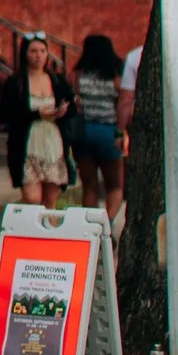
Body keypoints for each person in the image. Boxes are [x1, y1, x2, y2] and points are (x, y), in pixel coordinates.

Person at [0, 34, 74, 207]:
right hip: (27, 144)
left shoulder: (56, 80)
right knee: (32, 199)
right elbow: (6, 114)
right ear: (25, 53)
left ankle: (50, 233)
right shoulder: (16, 82)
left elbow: (71, 105)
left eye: (42, 51)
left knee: (50, 201)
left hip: (53, 143)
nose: (38, 55)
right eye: (33, 51)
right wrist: (36, 114)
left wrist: (63, 111)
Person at [71, 33, 129, 223]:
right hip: (107, 132)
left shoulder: (78, 75)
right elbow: (123, 101)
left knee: (90, 186)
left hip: (83, 132)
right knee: (115, 186)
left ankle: (91, 227)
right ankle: (108, 222)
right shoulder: (115, 76)